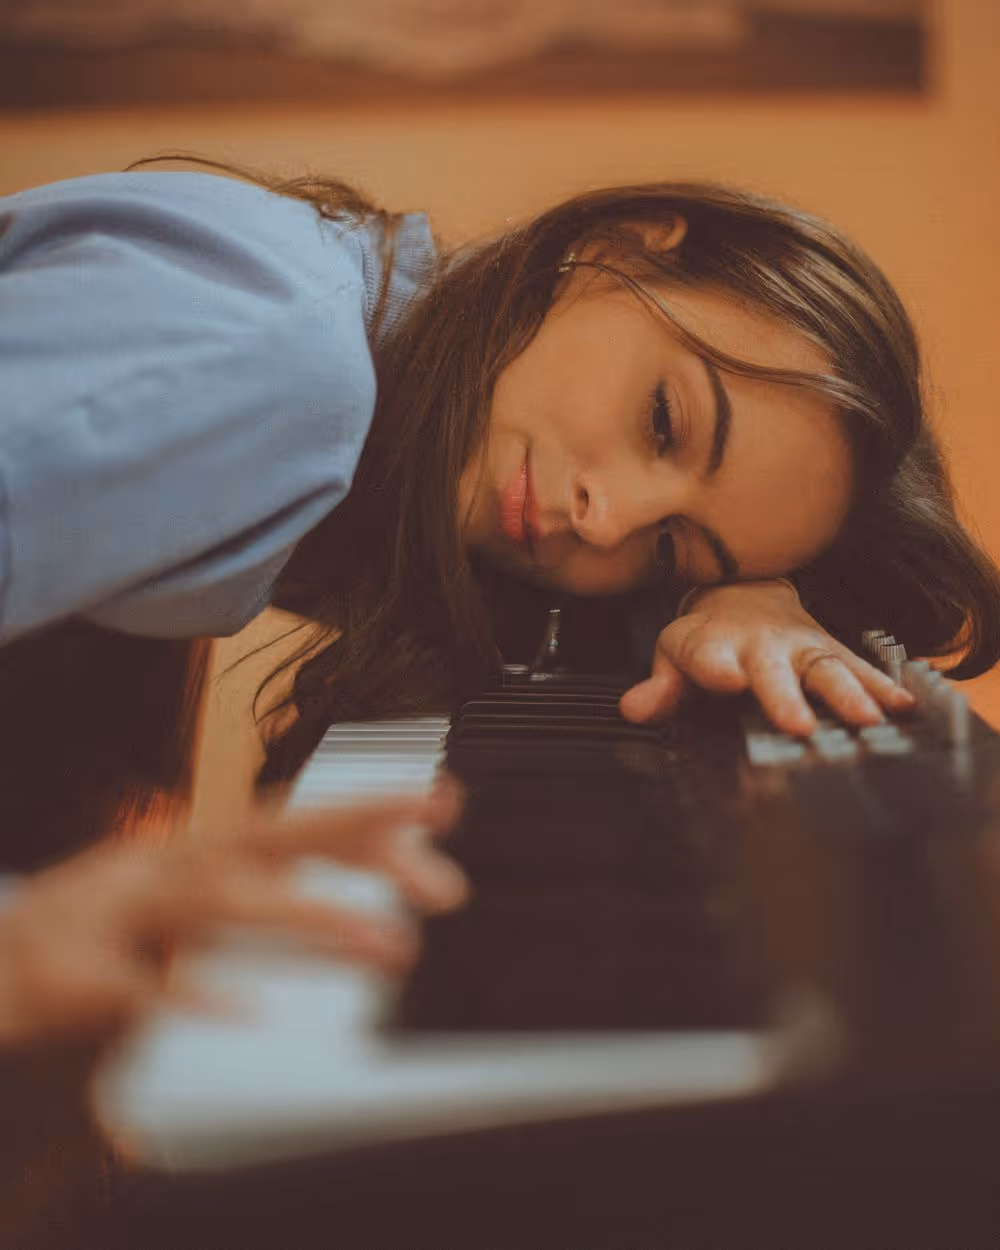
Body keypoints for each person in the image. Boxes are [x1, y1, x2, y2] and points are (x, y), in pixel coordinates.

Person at [2, 155, 1000, 1055]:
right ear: (620, 246)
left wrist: (748, 594)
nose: (605, 523)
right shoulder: (281, 360)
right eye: (663, 420)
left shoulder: (378, 365)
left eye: (672, 546)